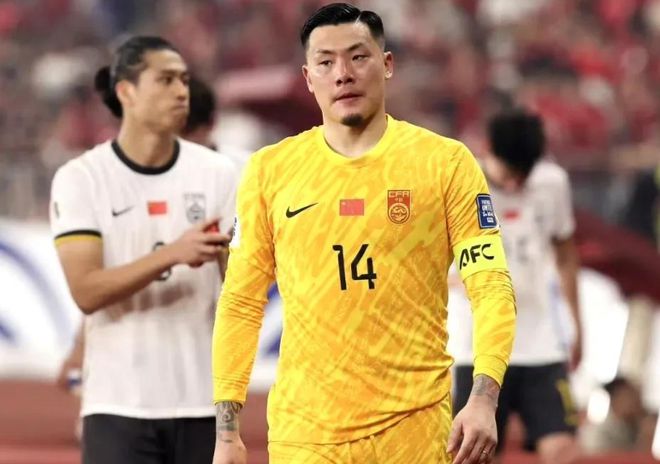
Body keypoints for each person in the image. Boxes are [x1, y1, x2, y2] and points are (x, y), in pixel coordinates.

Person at [211, 4, 516, 464]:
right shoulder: (270, 171)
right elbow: (241, 300)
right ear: (308, 77)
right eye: (325, 62)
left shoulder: (445, 164)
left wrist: (484, 399)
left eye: (358, 57)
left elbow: (490, 286)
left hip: (413, 434)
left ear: (387, 64)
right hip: (306, 435)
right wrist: (226, 430)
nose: (343, 74)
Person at [49, 36, 238, 464]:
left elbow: (239, 292)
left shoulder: (219, 174)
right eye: (166, 80)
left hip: (202, 404)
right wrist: (173, 253)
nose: (181, 91)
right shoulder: (82, 178)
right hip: (117, 406)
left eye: (184, 80)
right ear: (126, 91)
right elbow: (87, 290)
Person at [450, 109, 583, 464]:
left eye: (522, 176)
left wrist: (576, 325)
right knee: (475, 454)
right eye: (508, 174)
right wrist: (457, 280)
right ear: (488, 150)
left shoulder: (553, 183)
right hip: (475, 347)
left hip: (540, 342)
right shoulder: (459, 182)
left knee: (564, 451)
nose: (513, 186)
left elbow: (566, 255)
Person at [581, 377, 648, 454]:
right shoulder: (599, 432)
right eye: (630, 396)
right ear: (616, 398)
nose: (637, 402)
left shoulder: (633, 426)